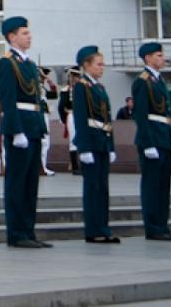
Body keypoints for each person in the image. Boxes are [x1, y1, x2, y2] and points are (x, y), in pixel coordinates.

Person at [0, 16, 49, 248]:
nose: (29, 36)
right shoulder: (7, 63)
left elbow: (35, 97)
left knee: (30, 183)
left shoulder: (28, 64)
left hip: (33, 125)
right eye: (24, 33)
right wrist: (16, 131)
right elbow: (8, 99)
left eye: (29, 32)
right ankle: (17, 234)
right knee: (17, 182)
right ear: (12, 37)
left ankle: (28, 230)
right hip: (19, 127)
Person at [132, 42, 171, 241]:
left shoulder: (159, 81)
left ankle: (163, 226)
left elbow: (165, 114)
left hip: (163, 137)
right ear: (148, 58)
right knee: (152, 185)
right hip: (152, 139)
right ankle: (153, 228)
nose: (163, 58)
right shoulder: (142, 81)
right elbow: (141, 114)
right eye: (159, 55)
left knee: (164, 186)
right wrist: (148, 144)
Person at [72, 46, 119, 244]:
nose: (102, 67)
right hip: (91, 142)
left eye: (102, 64)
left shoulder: (99, 87)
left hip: (102, 141)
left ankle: (103, 227)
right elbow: (81, 118)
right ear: (86, 65)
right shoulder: (82, 87)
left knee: (103, 188)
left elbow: (107, 118)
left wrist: (111, 146)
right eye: (98, 64)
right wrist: (84, 148)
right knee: (93, 188)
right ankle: (93, 230)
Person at [39, 67, 58, 176]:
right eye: (43, 76)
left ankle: (43, 166)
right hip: (41, 116)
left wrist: (49, 81)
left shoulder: (43, 88)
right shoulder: (38, 88)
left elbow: (54, 95)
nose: (43, 79)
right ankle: (42, 167)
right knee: (44, 142)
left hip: (45, 115)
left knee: (45, 142)